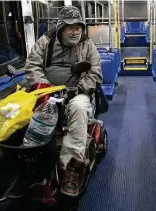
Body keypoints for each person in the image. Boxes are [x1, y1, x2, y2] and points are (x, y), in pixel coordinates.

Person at [24, 6, 102, 197]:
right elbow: (33, 65)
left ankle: (71, 167)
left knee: (78, 107)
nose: (75, 31)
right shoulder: (45, 41)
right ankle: (31, 160)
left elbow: (95, 72)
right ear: (60, 28)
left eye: (78, 27)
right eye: (70, 27)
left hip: (76, 93)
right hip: (47, 91)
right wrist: (44, 87)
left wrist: (79, 89)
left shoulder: (87, 44)